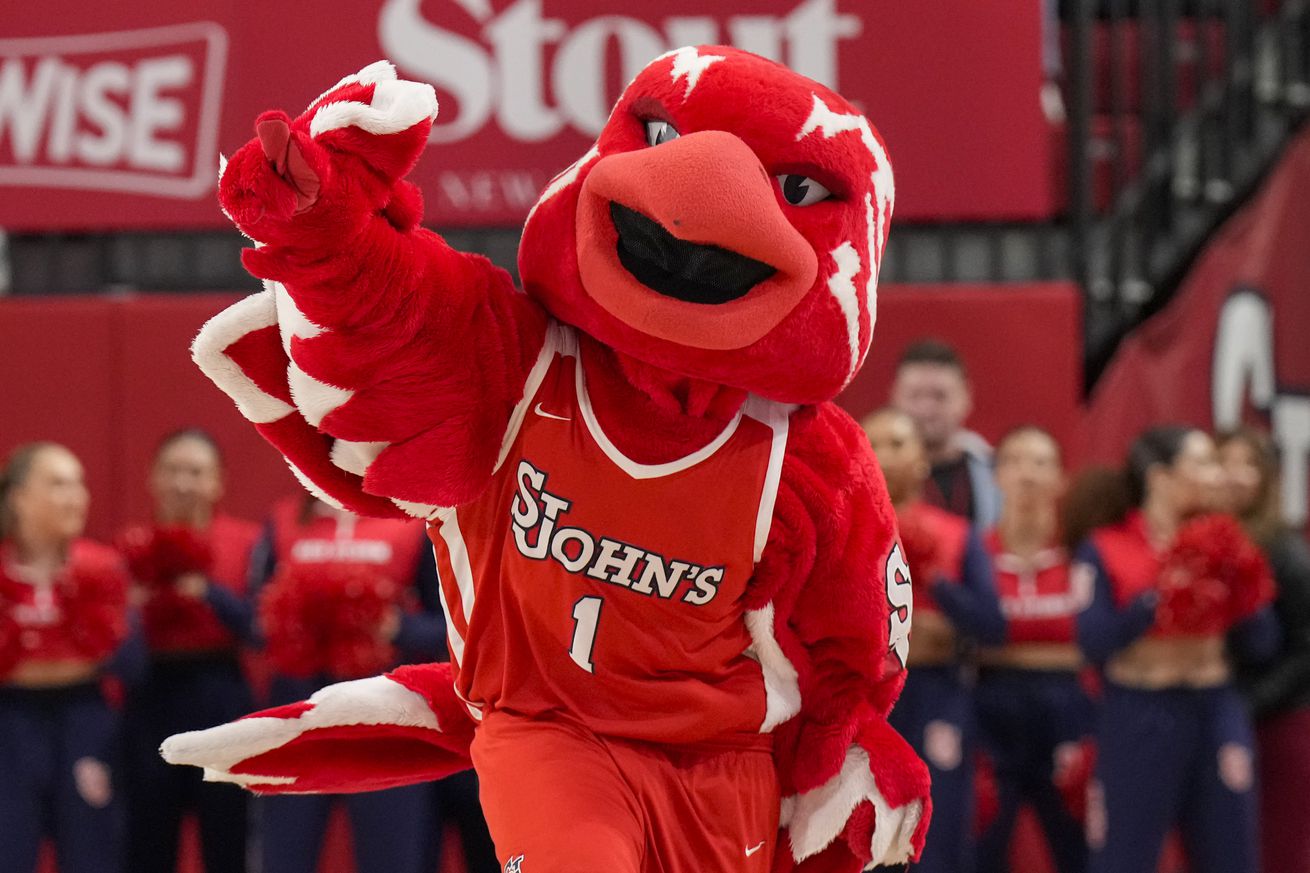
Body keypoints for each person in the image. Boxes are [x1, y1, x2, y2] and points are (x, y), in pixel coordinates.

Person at [1071, 425, 1280, 873]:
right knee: (1124, 857)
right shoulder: (1106, 548)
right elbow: (1091, 642)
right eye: (1203, 463)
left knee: (1233, 856)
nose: (1217, 476)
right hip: (1139, 713)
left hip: (1214, 709)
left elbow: (1263, 646)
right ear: (1161, 477)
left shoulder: (1225, 542)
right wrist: (1159, 599)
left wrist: (1245, 590)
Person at [249, 494, 445, 873]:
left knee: (393, 860)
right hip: (299, 721)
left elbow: (449, 621)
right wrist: (284, 621)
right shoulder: (285, 518)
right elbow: (256, 619)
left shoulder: (412, 518)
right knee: (283, 856)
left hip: (387, 724)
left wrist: (397, 627)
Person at [864, 407, 1005, 873]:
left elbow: (991, 624)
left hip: (936, 692)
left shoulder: (957, 535)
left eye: (899, 444)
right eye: (876, 442)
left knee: (936, 830)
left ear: (922, 460)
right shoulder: (843, 525)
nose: (886, 455)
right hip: (859, 698)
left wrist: (936, 581)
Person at [118, 429, 261, 873]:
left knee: (227, 836)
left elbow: (260, 630)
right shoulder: (130, 546)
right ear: (152, 477)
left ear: (218, 482)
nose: (183, 483)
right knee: (148, 838)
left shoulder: (247, 542)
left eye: (196, 472)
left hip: (220, 691)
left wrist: (208, 593)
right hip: (150, 696)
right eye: (172, 470)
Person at [0, 442, 134, 873]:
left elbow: (134, 663)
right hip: (11, 723)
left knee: (91, 852)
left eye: (80, 484)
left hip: (84, 720)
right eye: (59, 484)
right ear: (19, 498)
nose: (77, 496)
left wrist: (41, 656)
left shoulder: (103, 569)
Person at [974, 426, 1092, 873]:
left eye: (1041, 462)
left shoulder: (1081, 555)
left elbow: (1100, 643)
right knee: (980, 853)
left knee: (1079, 851)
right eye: (1015, 461)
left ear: (1061, 478)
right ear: (996, 476)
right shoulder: (974, 553)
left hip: (1068, 714)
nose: (1027, 473)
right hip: (990, 712)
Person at [1218, 427, 1310, 873]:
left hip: (1280, 723)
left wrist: (1249, 704)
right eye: (1225, 462)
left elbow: (1306, 651)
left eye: (1248, 465)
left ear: (1267, 479)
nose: (1234, 475)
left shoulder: (1285, 551)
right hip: (1214, 716)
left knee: (1279, 846)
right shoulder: (1194, 541)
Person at [891, 339, 1002, 527]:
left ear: (966, 397)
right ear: (895, 397)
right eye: (915, 395)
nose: (926, 409)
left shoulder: (997, 473)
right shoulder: (873, 475)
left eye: (939, 396)